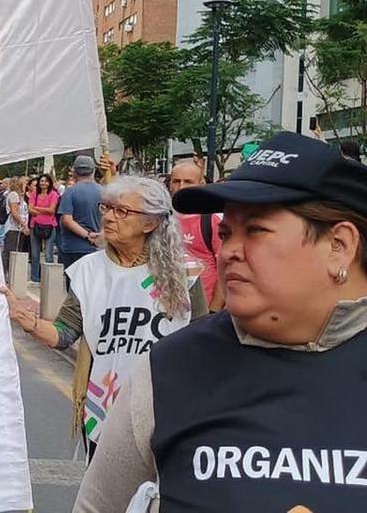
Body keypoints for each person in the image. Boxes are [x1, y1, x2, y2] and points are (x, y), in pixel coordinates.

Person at [76, 132, 367, 512]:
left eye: (256, 230)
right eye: (226, 233)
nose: (229, 251)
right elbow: (97, 505)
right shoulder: (170, 368)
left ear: (339, 246)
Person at [2, 177, 207, 458]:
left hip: (165, 407)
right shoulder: (88, 271)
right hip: (104, 405)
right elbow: (65, 332)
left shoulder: (183, 274)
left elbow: (201, 343)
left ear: (150, 223)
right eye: (106, 208)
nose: (109, 217)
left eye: (122, 211)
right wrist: (25, 319)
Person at [167, 159, 223, 310]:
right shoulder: (163, 216)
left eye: (188, 182)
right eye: (176, 181)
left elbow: (225, 269)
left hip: (202, 308)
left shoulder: (212, 220)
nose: (181, 187)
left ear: (201, 184)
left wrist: (213, 311)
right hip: (170, 306)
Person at [58, 156, 104, 277]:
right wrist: (100, 235)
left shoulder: (70, 192)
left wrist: (88, 235)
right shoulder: (104, 192)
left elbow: (67, 220)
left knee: (74, 284)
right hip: (97, 247)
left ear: (74, 172)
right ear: (93, 170)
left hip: (73, 246)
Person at [28, 174, 60, 283]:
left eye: (46, 181)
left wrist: (37, 208)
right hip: (35, 225)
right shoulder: (34, 194)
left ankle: (49, 279)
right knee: (34, 254)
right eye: (41, 181)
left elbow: (52, 210)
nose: (43, 183)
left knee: (48, 254)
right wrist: (44, 211)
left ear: (49, 183)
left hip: (50, 226)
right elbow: (30, 209)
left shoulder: (54, 194)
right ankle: (35, 277)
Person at [1, 176, 30, 281]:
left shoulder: (20, 196)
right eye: (25, 182)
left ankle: (12, 275)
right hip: (13, 228)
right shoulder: (14, 195)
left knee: (16, 252)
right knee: (10, 253)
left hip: (19, 228)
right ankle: (5, 275)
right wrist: (24, 225)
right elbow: (15, 212)